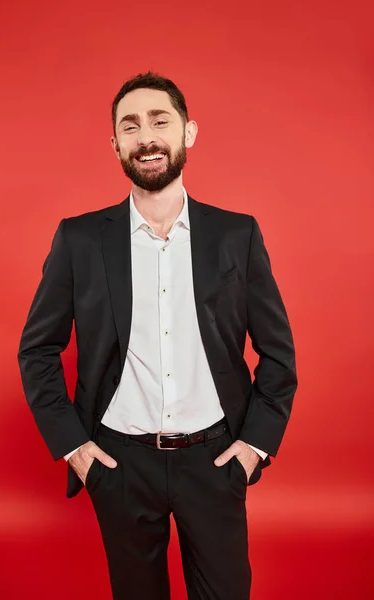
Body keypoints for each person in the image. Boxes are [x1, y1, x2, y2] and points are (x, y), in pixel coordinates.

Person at [18, 71, 298, 600]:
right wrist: (74, 448)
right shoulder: (79, 239)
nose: (145, 136)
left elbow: (278, 355)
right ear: (116, 144)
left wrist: (253, 448)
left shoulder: (237, 235)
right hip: (118, 464)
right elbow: (37, 350)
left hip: (215, 460)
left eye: (159, 121)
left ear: (188, 133)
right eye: (130, 126)